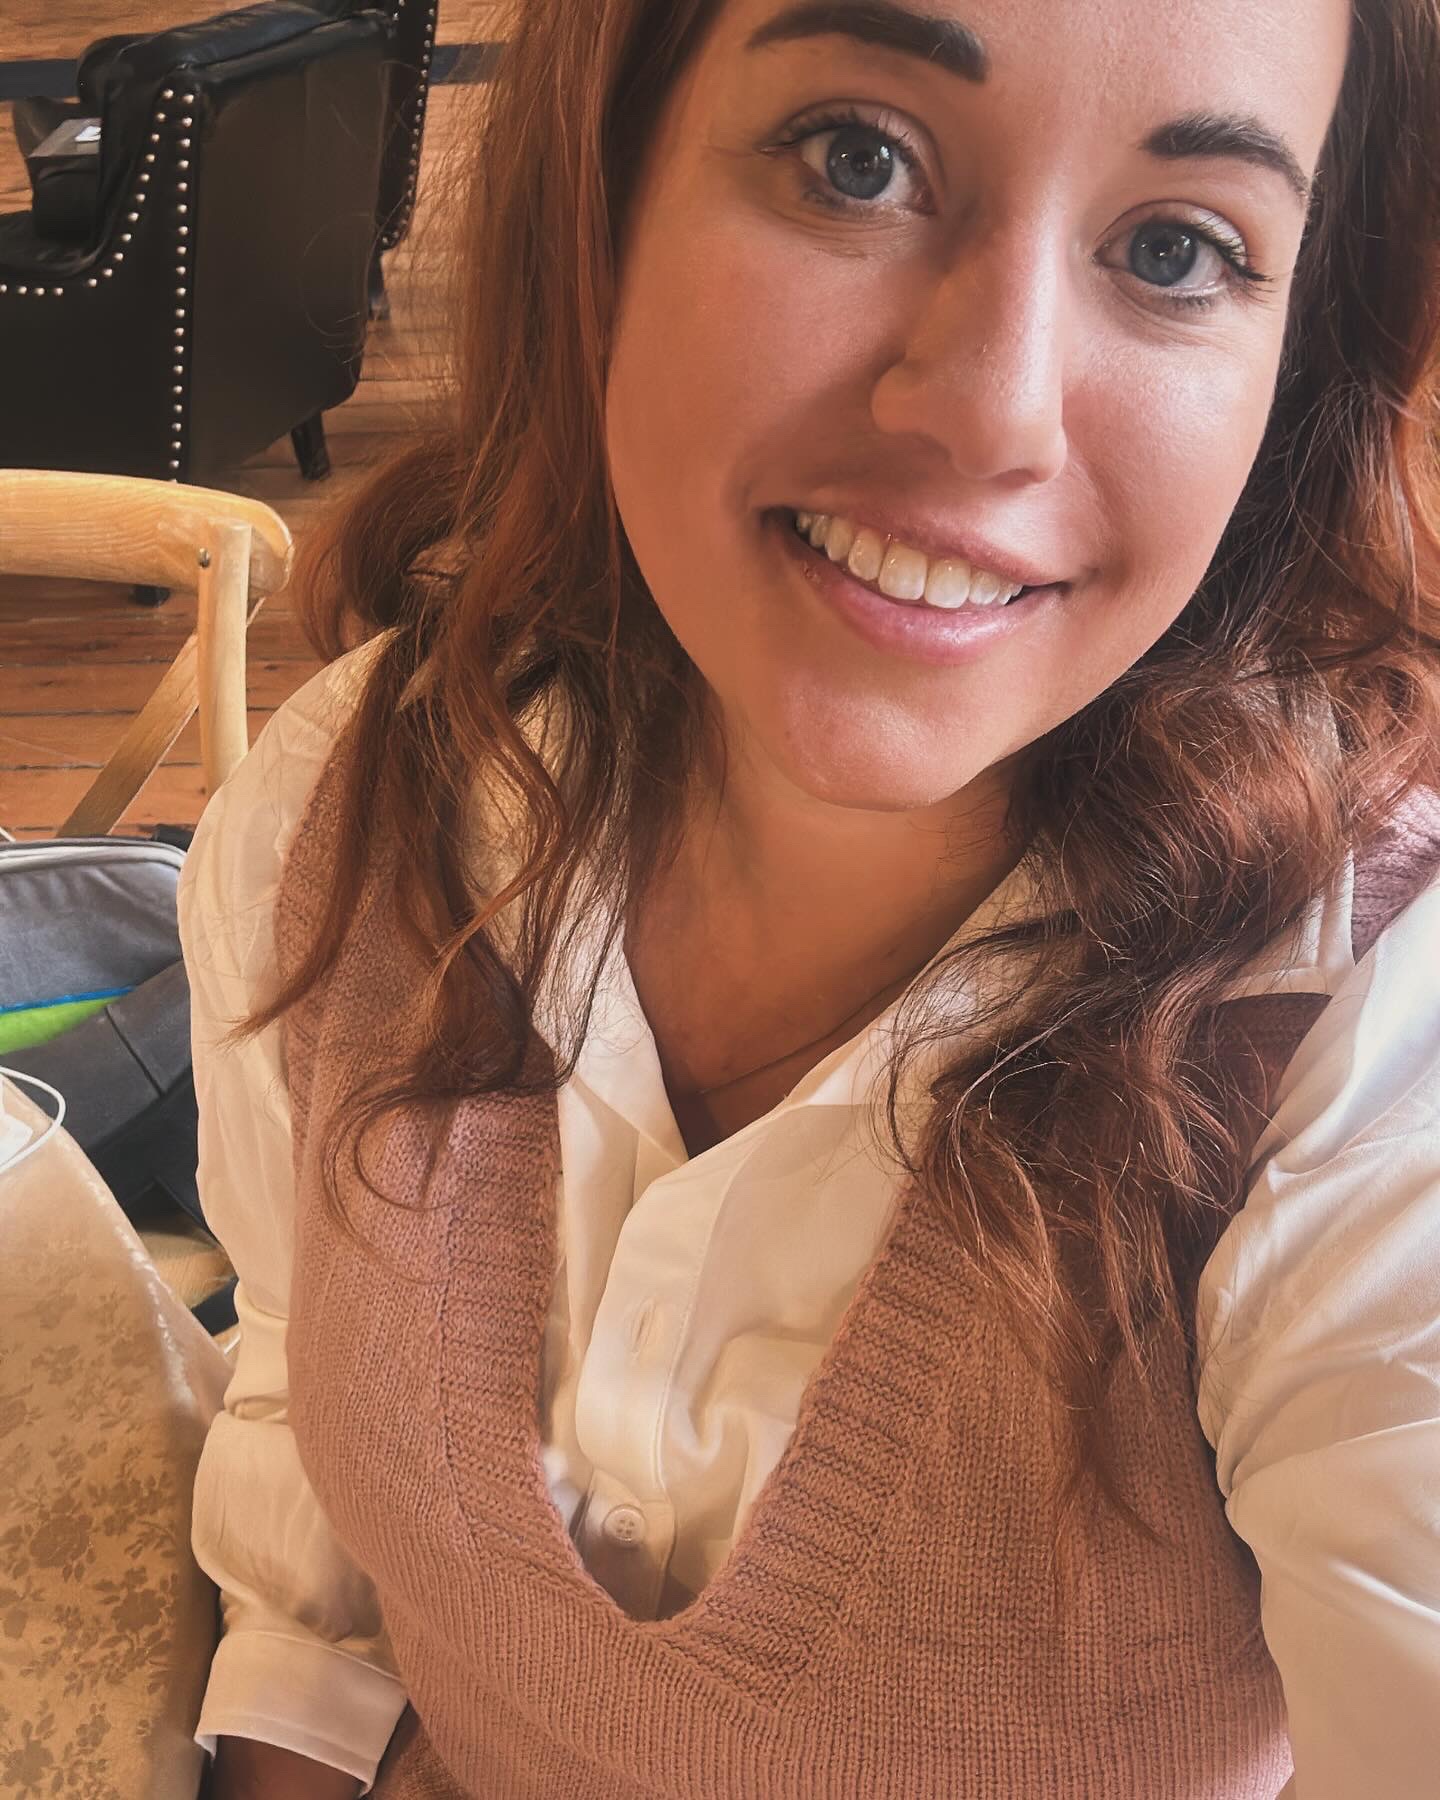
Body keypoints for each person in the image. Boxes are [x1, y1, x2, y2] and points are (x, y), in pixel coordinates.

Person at [180, 0, 1440, 1794]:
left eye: (1177, 250)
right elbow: (305, 1396)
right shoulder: (341, 804)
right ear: (604, 190)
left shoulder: (1367, 1055)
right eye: (859, 161)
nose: (992, 414)